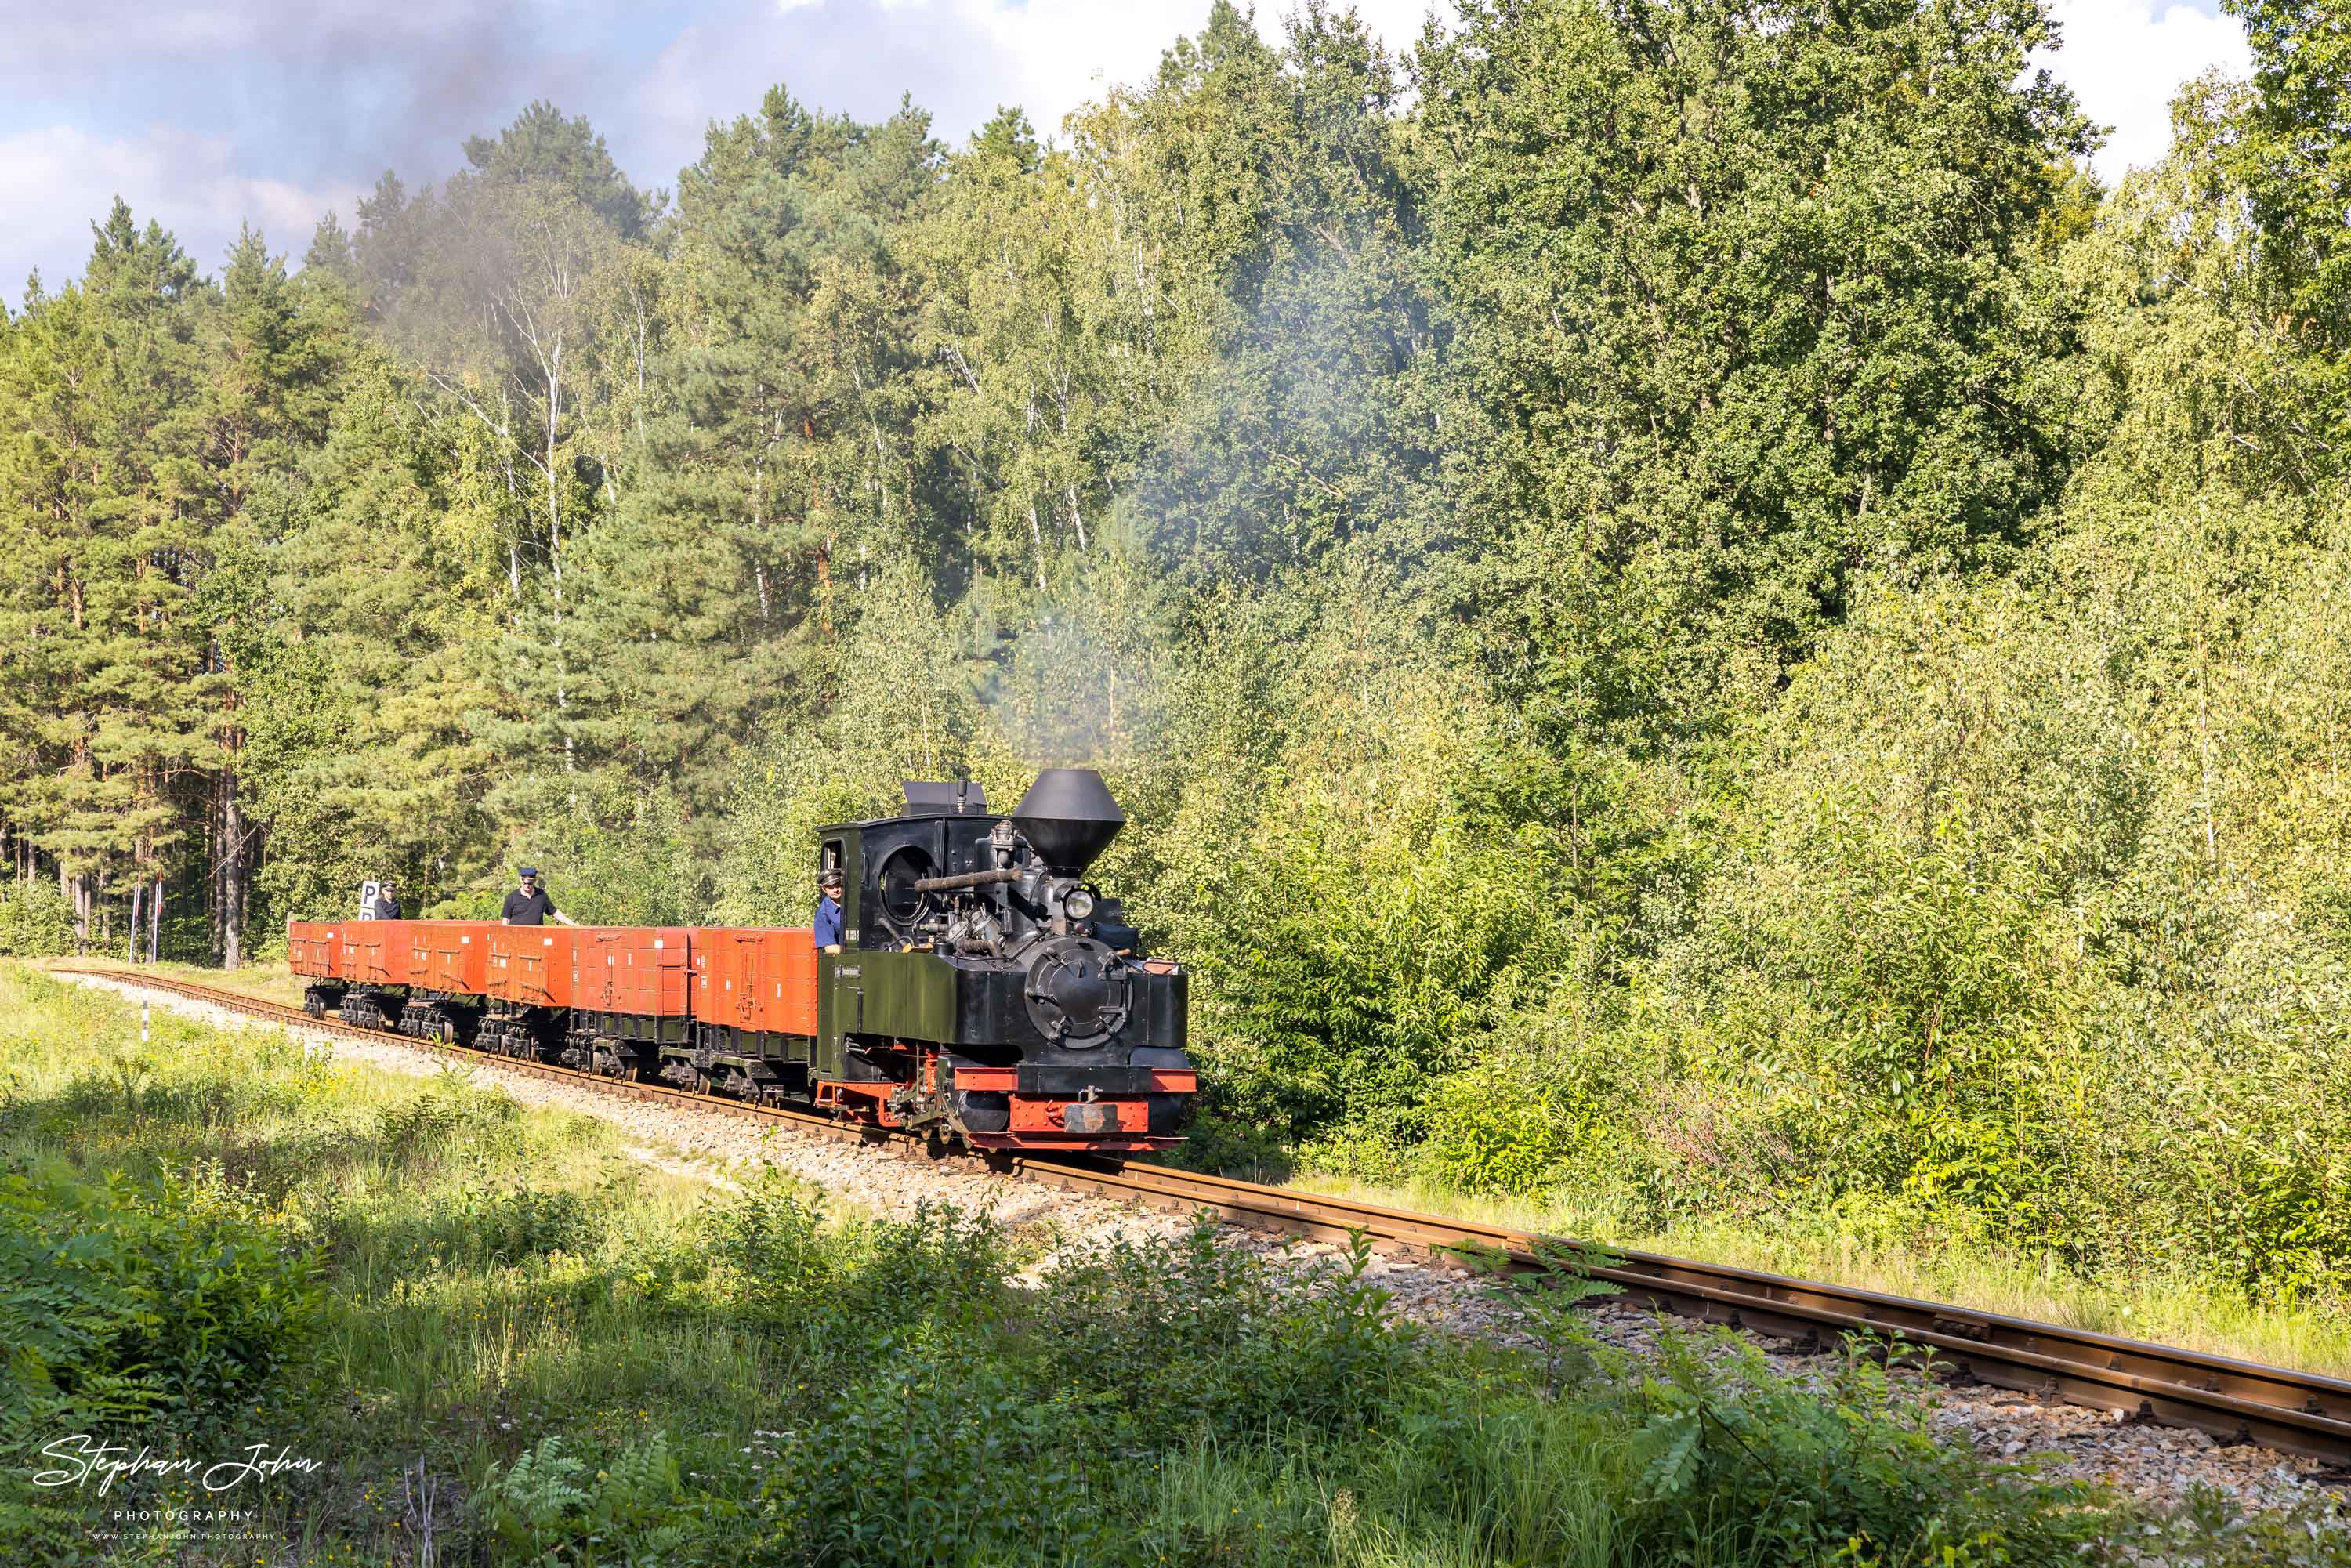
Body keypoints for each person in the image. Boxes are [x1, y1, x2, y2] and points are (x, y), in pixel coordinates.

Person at [501, 867, 577, 928]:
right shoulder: (511, 898)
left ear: (534, 881)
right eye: (525, 883)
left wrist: (573, 924)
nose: (527, 886)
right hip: (516, 938)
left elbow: (555, 912)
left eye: (530, 883)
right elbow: (505, 921)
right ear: (521, 880)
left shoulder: (541, 895)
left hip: (537, 938)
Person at [813, 870, 845, 954]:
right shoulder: (823, 914)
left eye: (838, 886)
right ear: (824, 889)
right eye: (831, 888)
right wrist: (854, 952)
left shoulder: (855, 902)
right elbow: (830, 947)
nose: (835, 890)